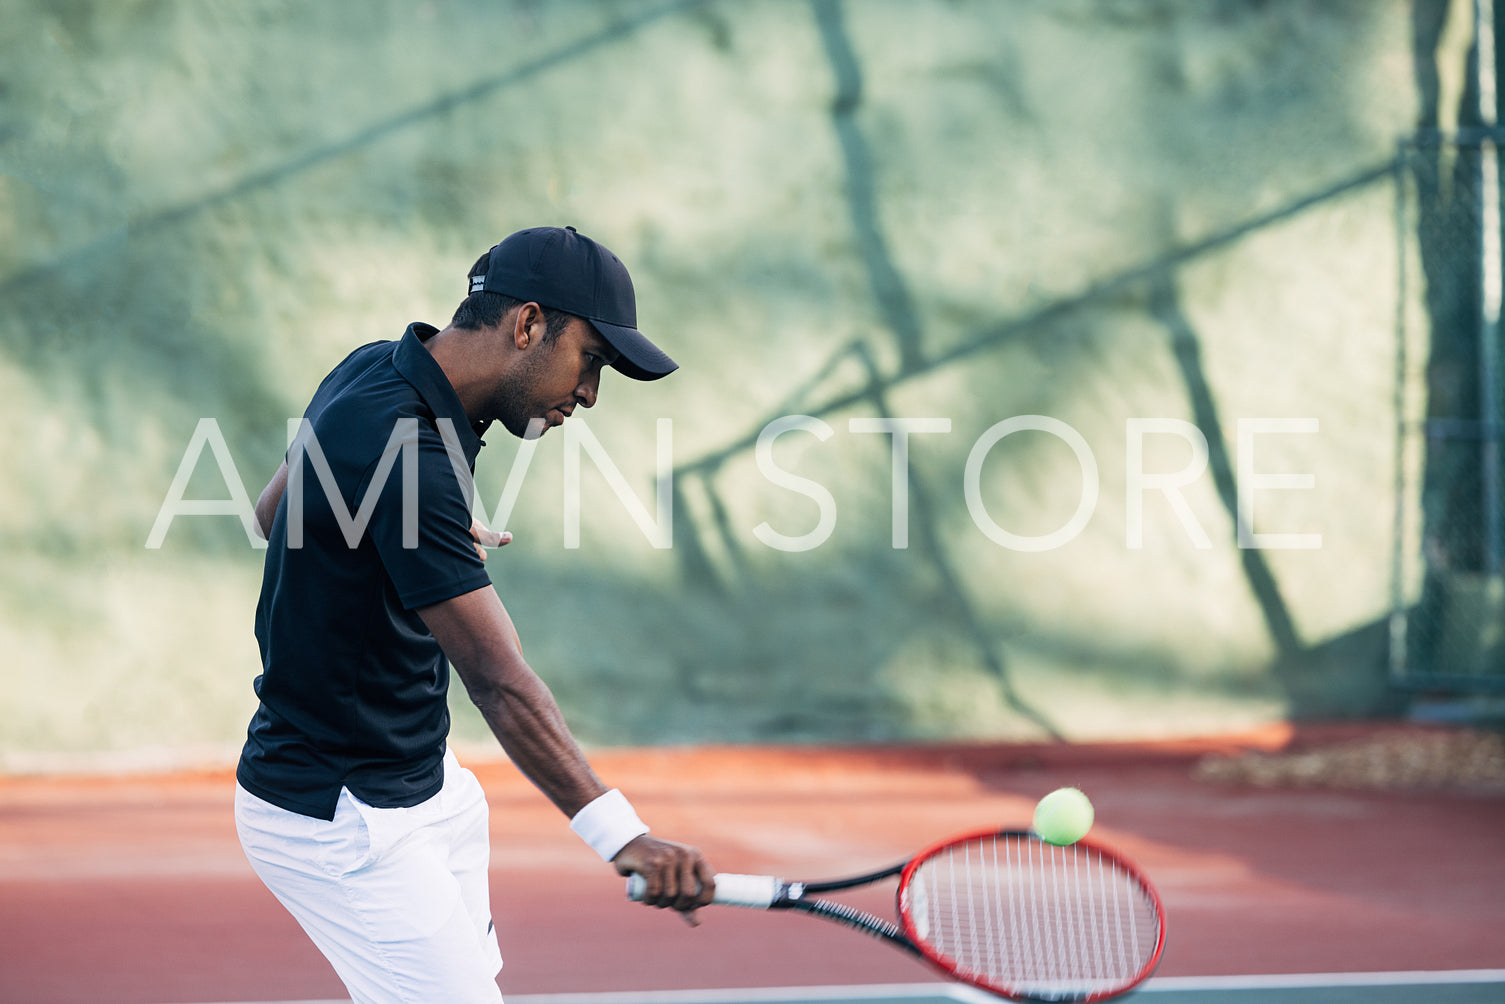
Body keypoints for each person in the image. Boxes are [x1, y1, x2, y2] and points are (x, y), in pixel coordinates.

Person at [234, 226, 715, 1004]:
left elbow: (271, 512)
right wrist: (622, 837)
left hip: (431, 787)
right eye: (590, 360)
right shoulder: (407, 457)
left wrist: (403, 535)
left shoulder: (375, 367)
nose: (589, 395)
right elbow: (497, 681)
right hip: (344, 817)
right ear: (527, 325)